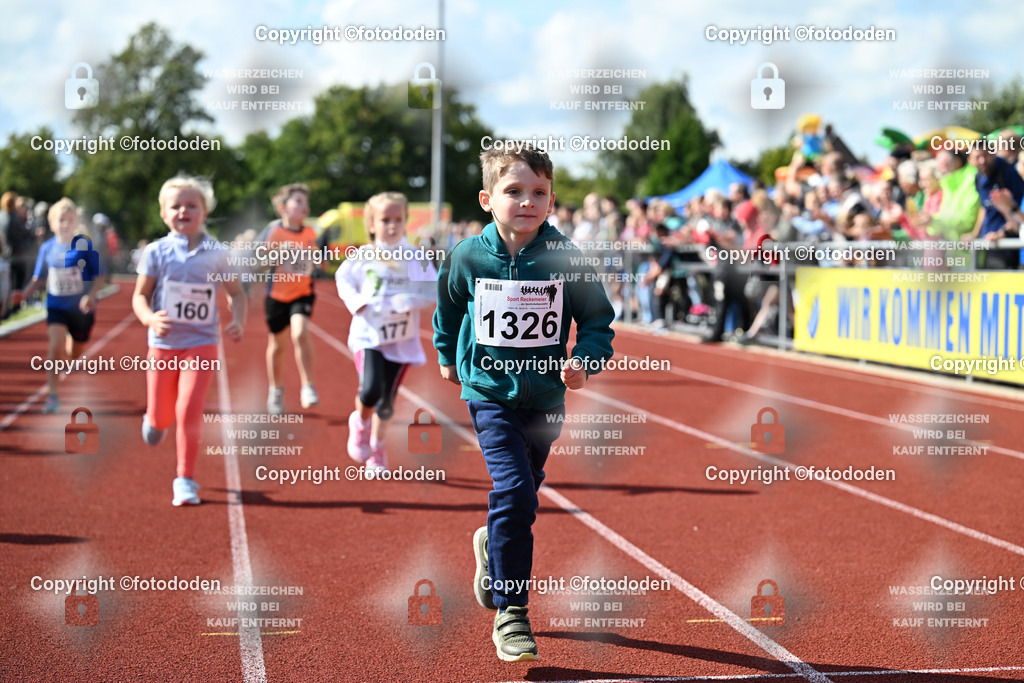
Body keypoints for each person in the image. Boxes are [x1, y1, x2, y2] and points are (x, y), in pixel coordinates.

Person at [433, 145, 614, 662]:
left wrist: (585, 360)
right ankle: (512, 613)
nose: (527, 202)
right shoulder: (467, 255)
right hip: (489, 393)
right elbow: (447, 306)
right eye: (514, 192)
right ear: (489, 199)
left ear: (552, 201)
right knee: (515, 492)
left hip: (546, 399)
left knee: (524, 493)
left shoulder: (565, 258)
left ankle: (495, 544)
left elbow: (599, 321)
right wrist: (448, 353)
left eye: (538, 193)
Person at [132, 175, 246, 506]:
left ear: (205, 211)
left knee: (189, 408)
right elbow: (140, 296)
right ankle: (154, 419)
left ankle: (185, 478)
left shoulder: (218, 254)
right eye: (176, 206)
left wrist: (237, 319)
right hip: (164, 344)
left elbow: (237, 294)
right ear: (164, 214)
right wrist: (150, 317)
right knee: (160, 419)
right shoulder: (156, 252)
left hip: (203, 341)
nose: (184, 210)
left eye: (192, 205)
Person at [336, 192, 437, 472]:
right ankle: (360, 422)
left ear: (405, 221)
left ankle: (377, 450)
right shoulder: (364, 256)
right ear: (371, 224)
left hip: (400, 339)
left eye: (398, 219)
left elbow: (432, 289)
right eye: (385, 220)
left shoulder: (415, 256)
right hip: (369, 335)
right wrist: (358, 303)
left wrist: (410, 301)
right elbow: (343, 279)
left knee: (387, 400)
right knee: (370, 390)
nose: (392, 226)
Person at [16, 198, 108, 413]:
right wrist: (24, 294)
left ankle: (72, 340)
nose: (65, 224)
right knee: (53, 350)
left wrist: (92, 295)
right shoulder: (47, 248)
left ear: (76, 222)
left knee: (75, 353)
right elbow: (39, 278)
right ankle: (53, 396)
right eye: (61, 220)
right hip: (56, 305)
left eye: (70, 220)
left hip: (81, 310)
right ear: (51, 223)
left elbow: (101, 276)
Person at [258, 183, 320, 414]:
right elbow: (260, 264)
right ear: (283, 207)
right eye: (299, 201)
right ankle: (276, 390)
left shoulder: (310, 233)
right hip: (276, 296)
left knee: (300, 333)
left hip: (302, 294)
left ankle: (308, 385)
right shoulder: (275, 233)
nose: (305, 206)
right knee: (277, 345)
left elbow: (314, 264)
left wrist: (314, 261)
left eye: (306, 202)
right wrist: (277, 255)